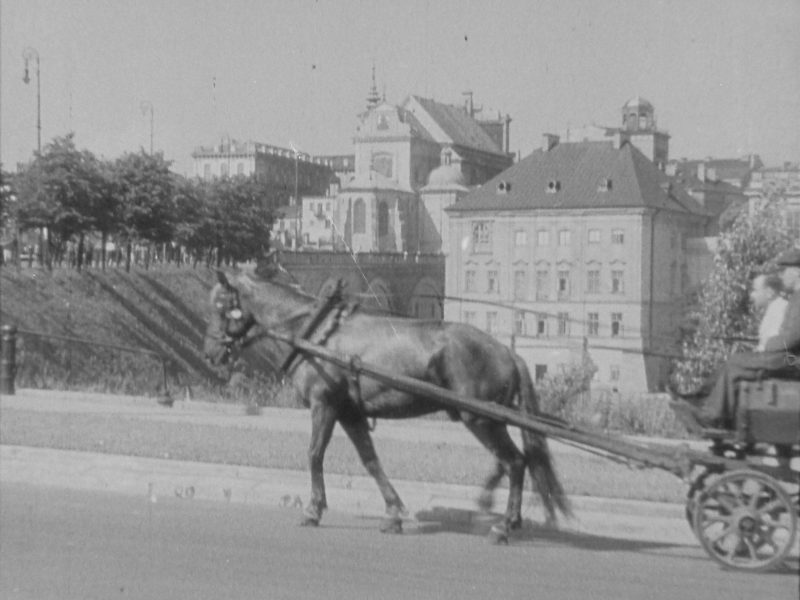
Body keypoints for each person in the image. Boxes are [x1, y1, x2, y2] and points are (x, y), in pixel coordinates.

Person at [670, 248, 800, 430]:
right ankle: (700, 401)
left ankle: (713, 417)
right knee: (735, 362)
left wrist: (768, 344)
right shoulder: (795, 297)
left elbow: (792, 338)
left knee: (737, 364)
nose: (781, 275)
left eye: (784, 270)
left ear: (797, 271)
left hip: (791, 360)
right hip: (787, 357)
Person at [751, 273, 788, 351]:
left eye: (755, 290)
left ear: (769, 292)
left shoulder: (780, 309)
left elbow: (775, 341)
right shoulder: (773, 310)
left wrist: (760, 349)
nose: (752, 295)